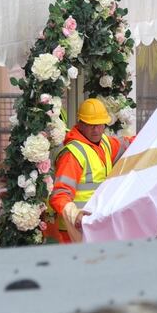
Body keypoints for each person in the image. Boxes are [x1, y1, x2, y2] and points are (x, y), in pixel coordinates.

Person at [48, 97, 133, 243]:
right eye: (90, 125)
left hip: (96, 226)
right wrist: (75, 215)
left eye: (100, 124)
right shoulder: (73, 154)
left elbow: (129, 143)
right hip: (75, 231)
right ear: (80, 123)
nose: (96, 129)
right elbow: (59, 195)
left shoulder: (105, 142)